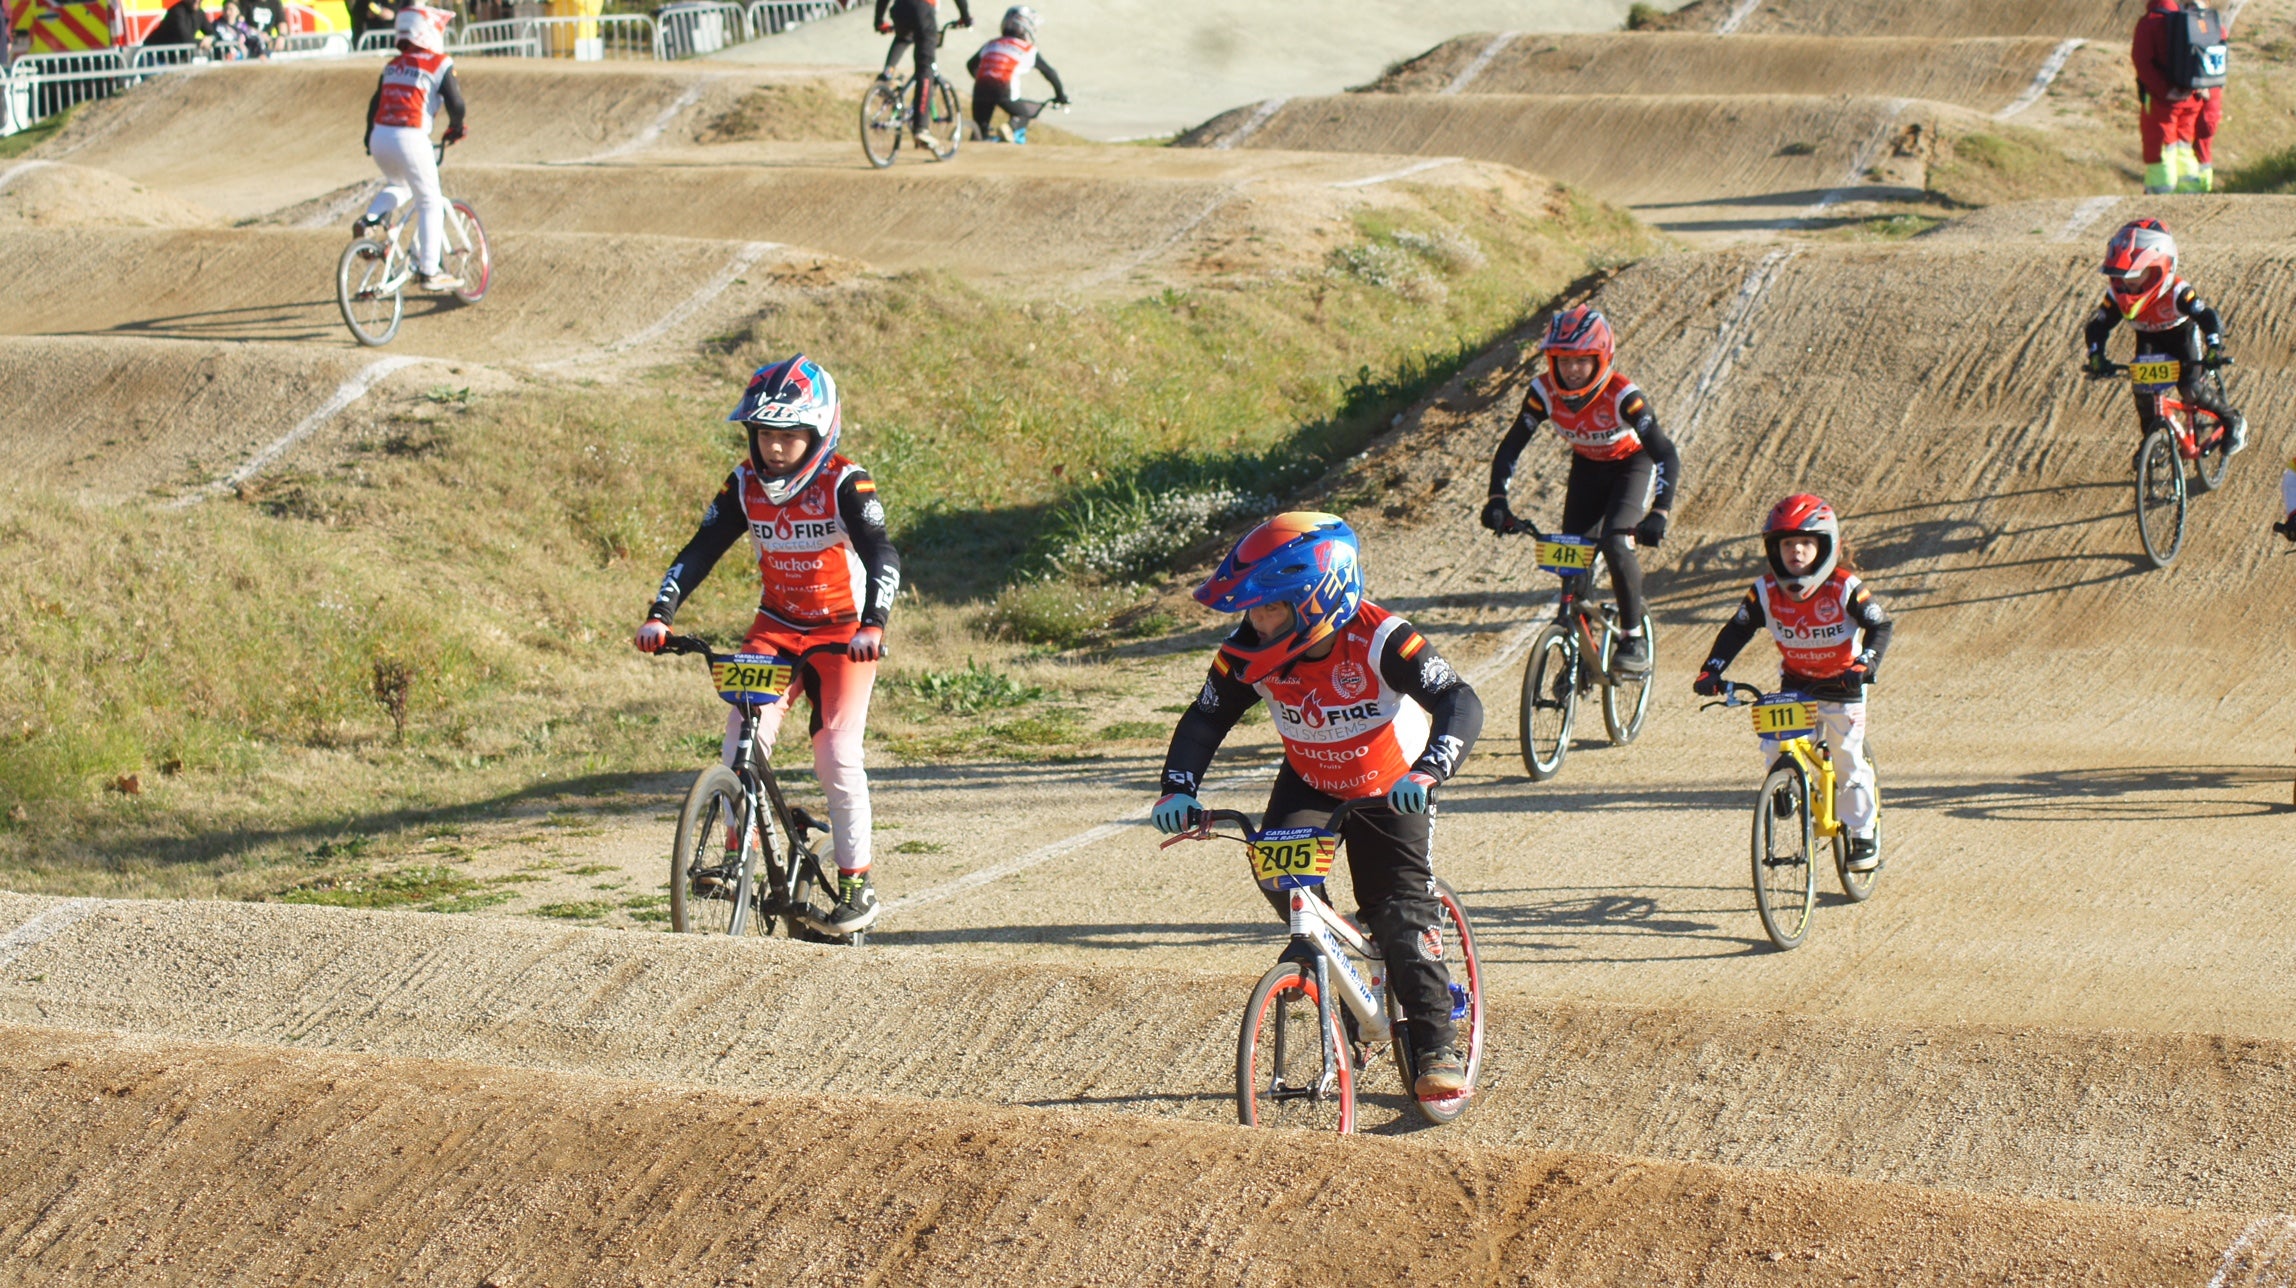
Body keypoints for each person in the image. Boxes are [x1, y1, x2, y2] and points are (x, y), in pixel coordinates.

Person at [1151, 512, 1483, 1101]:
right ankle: (1347, 975)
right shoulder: (1247, 653)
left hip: (1392, 784)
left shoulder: (1382, 636)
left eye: (1271, 607)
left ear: (1317, 599)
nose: (1256, 621)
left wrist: (1431, 770)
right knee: (1284, 880)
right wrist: (1179, 787)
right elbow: (1206, 718)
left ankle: (1436, 1043)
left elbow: (1459, 700)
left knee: (1400, 909)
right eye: (1252, 608)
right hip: (1311, 781)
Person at [636, 356, 902, 937]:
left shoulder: (845, 482)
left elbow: (883, 553)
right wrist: (661, 613)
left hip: (841, 634)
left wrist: (873, 625)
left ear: (818, 433)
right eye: (764, 434)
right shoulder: (743, 484)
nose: (775, 449)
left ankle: (858, 882)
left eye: (789, 436)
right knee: (740, 736)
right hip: (776, 628)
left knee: (835, 751)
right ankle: (739, 853)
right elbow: (699, 550)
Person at [1692, 495, 1892, 872]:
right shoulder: (1765, 591)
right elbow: (1737, 630)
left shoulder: (1844, 586)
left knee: (1848, 759)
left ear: (1824, 545)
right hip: (1796, 684)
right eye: (1787, 544)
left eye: (1806, 542)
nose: (1796, 551)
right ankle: (1790, 787)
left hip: (1843, 685)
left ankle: (1863, 833)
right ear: (1774, 548)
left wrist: (1867, 661)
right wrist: (1711, 670)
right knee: (1772, 746)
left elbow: (1880, 625)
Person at [1480, 305, 1681, 675]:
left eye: (1581, 361)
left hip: (1630, 466)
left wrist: (1660, 511)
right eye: (1563, 360)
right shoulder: (1543, 391)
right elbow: (1511, 446)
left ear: (1601, 358)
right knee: (1573, 554)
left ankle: (1632, 637)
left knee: (1616, 543)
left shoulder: (1623, 395)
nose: (1571, 370)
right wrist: (1497, 499)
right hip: (1587, 467)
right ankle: (1580, 643)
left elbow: (1665, 452)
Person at [2082, 217, 2247, 455]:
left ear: (2159, 269)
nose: (2128, 285)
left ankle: (2233, 421)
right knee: (2143, 392)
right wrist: (2095, 355)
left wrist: (2214, 347)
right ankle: (2151, 440)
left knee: (2191, 390)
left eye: (2135, 276)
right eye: (2122, 277)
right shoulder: (2116, 296)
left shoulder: (2178, 291)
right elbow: (2098, 327)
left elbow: (2208, 318)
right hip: (2148, 340)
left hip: (2181, 337)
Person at [356, 5, 466, 293]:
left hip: (381, 135)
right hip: (411, 136)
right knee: (430, 201)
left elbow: (373, 103)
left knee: (400, 184)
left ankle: (370, 220)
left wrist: (369, 137)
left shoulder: (393, 64)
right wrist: (457, 126)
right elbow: (456, 103)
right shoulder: (438, 62)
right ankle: (430, 271)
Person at [874, 0, 970, 149]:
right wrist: (966, 17)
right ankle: (921, 128)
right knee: (925, 69)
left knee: (903, 36)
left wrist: (878, 20)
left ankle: (887, 76)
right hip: (923, 9)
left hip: (899, 8)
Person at [964, 5, 1066, 144]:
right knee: (1023, 114)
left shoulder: (991, 43)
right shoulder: (1028, 49)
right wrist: (1061, 96)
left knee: (980, 131)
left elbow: (971, 65)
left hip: (981, 86)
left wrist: (984, 78)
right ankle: (1009, 128)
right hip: (1004, 87)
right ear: (1027, 27)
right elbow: (1050, 73)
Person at [2133, 0, 2204, 194]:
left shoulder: (2150, 23)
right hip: (2192, 98)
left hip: (2163, 102)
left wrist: (2165, 91)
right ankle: (2190, 192)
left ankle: (2159, 195)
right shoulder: (2190, 19)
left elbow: (2143, 63)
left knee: (2162, 148)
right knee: (2184, 146)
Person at [142, 0, 216, 50]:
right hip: (154, 54)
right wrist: (201, 42)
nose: (196, 0)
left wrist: (211, 39)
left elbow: (212, 32)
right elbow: (184, 37)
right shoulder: (177, 12)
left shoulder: (200, 13)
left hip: (173, 56)